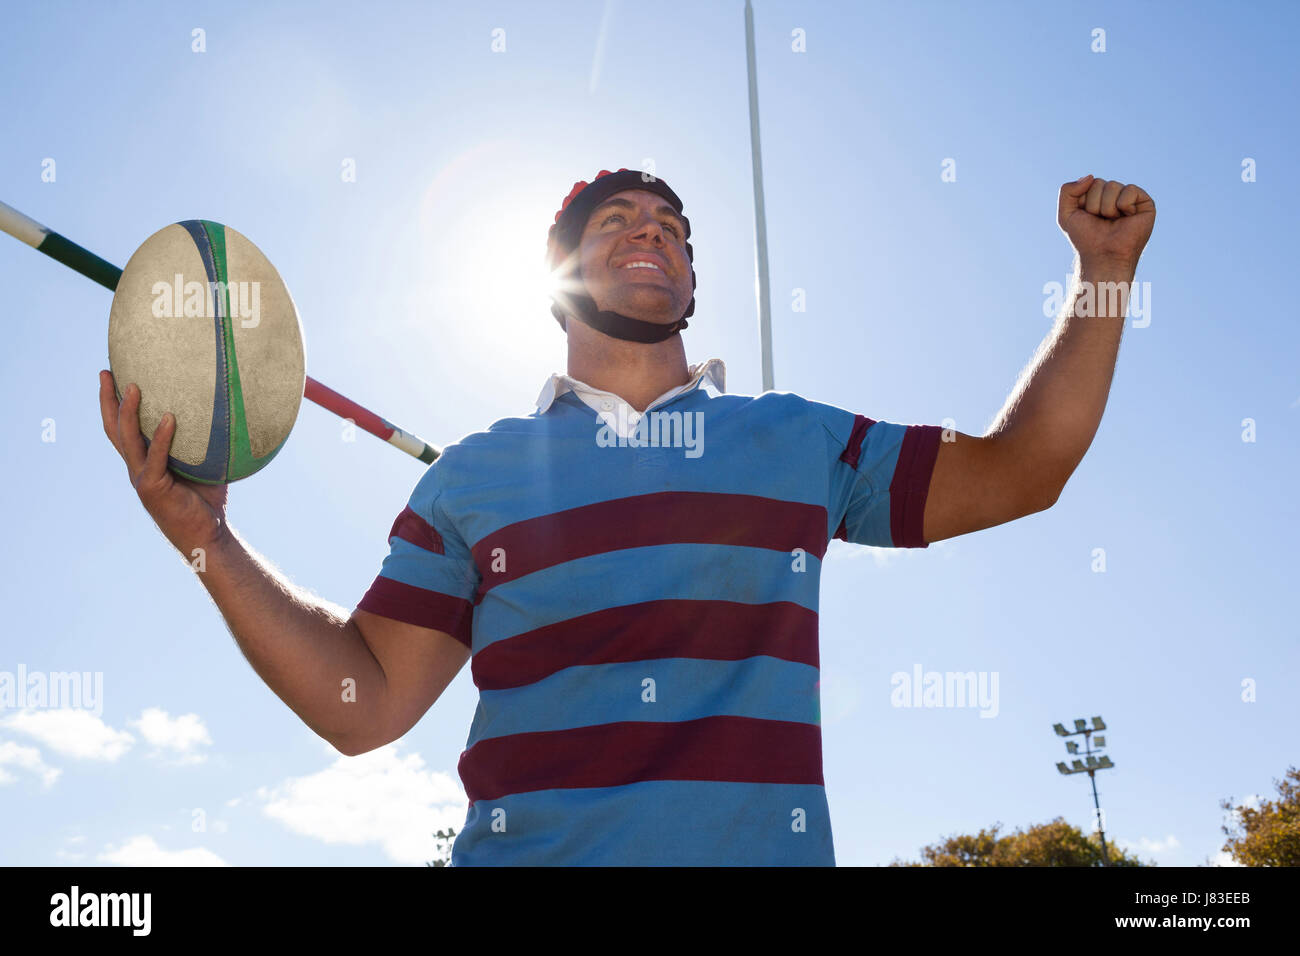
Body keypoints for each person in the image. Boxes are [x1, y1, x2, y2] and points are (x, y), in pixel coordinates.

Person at [97, 167, 1155, 865]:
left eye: (672, 229)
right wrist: (205, 536)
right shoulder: (475, 476)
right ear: (561, 280)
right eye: (618, 222)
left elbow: (1025, 468)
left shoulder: (799, 440)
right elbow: (360, 704)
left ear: (688, 279)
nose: (652, 232)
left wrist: (1102, 278)